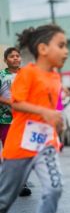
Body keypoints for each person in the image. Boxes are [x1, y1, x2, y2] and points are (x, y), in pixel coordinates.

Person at [0, 24, 67, 213]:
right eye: (62, 45)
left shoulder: (56, 77)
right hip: (20, 144)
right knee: (4, 199)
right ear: (43, 49)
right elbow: (16, 102)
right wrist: (43, 112)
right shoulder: (27, 73)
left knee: (55, 189)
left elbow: (55, 108)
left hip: (46, 143)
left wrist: (58, 120)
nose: (66, 51)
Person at [0, 47, 32, 197]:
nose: (15, 58)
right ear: (6, 60)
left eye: (17, 56)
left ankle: (22, 183)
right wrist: (10, 103)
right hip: (5, 120)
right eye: (11, 56)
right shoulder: (1, 76)